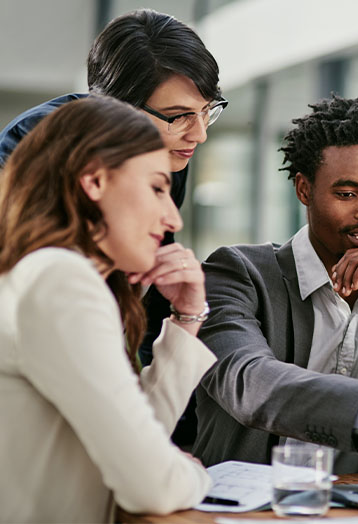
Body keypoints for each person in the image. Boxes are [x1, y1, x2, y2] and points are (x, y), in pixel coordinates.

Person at [192, 96, 358, 473]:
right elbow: (248, 382)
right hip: (245, 510)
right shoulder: (237, 274)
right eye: (348, 194)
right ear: (304, 190)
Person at [0, 8, 226, 446]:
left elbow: (149, 295)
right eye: (180, 115)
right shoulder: (31, 149)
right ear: (113, 110)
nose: (198, 134)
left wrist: (171, 439)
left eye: (208, 111)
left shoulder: (167, 151)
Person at [0, 96, 216, 522]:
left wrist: (186, 319)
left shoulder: (49, 275)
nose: (173, 219)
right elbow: (151, 483)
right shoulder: (59, 279)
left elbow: (134, 439)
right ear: (94, 181)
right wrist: (192, 475)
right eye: (157, 188)